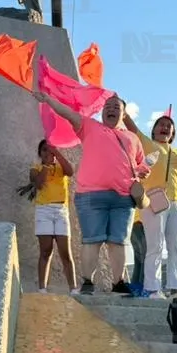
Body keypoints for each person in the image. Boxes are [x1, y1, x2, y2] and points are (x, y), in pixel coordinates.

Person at [32, 91, 149, 295]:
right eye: (108, 106)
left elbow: (140, 164)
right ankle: (87, 281)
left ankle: (118, 282)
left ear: (124, 114)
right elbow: (68, 113)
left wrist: (142, 171)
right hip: (90, 196)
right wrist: (49, 100)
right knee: (91, 240)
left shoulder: (132, 138)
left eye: (116, 107)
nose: (111, 109)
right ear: (102, 112)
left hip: (123, 198)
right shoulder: (89, 126)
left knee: (118, 240)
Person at [123, 112, 177, 298]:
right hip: (153, 200)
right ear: (154, 130)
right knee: (155, 246)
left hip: (176, 202)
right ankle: (153, 288)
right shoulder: (148, 144)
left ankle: (174, 288)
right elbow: (133, 129)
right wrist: (123, 112)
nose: (164, 127)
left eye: (168, 126)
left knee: (176, 246)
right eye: (160, 124)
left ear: (173, 133)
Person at [30, 139, 77, 294]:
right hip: (43, 210)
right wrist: (46, 166)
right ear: (40, 153)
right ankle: (42, 288)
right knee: (46, 250)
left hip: (61, 210)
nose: (47, 153)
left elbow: (70, 171)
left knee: (65, 251)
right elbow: (38, 184)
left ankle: (73, 288)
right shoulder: (35, 168)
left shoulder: (60, 168)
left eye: (50, 150)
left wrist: (57, 153)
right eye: (44, 150)